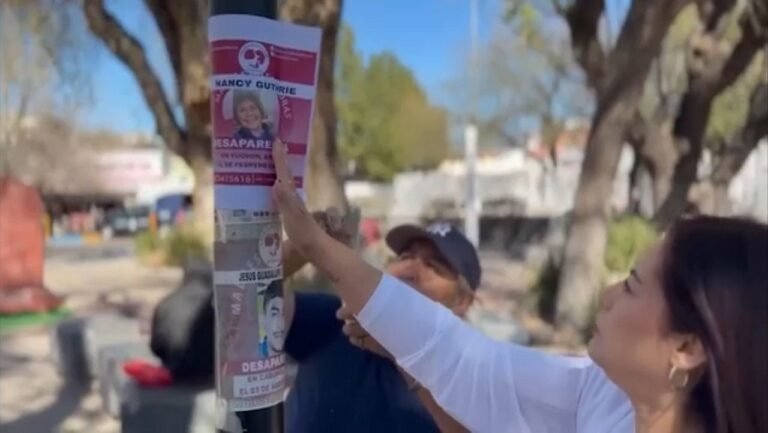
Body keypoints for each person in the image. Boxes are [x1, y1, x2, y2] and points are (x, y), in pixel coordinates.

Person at [271, 139, 768, 433]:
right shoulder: (605, 398)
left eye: (634, 285)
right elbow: (459, 360)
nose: (608, 294)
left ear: (685, 347)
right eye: (406, 255)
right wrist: (309, 249)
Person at [281, 220, 480, 433]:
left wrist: (405, 347)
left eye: (434, 265)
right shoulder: (332, 321)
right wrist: (302, 247)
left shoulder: (471, 378)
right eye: (406, 257)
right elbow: (248, 300)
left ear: (462, 301)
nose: (411, 268)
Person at [259, 279, 285, 357]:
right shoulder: (251, 355)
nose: (280, 324)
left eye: (285, 314)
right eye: (274, 314)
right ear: (264, 320)